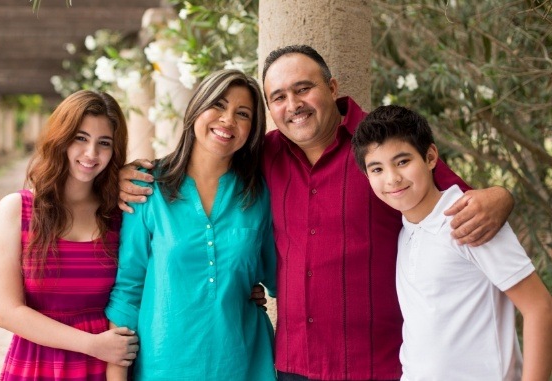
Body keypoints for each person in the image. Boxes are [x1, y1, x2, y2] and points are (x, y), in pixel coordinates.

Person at [118, 45, 514, 380]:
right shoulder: (264, 156)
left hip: (375, 363)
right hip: (293, 365)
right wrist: (125, 176)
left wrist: (501, 196)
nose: (293, 105)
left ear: (332, 87)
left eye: (303, 88)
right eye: (278, 97)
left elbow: (457, 198)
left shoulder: (379, 149)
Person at [351, 104, 552, 381]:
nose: (392, 178)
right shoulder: (405, 231)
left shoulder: (471, 219)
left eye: (402, 161)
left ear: (431, 157)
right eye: (377, 169)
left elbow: (539, 307)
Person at [105, 69, 277, 380]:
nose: (228, 120)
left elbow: (282, 275)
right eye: (219, 105)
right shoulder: (147, 187)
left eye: (243, 114)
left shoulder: (259, 195)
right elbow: (128, 290)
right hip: (163, 365)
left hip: (244, 364)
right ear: (197, 107)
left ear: (252, 130)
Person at [0, 90, 139, 380]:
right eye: (80, 138)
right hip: (37, 365)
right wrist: (93, 345)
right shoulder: (17, 210)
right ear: (60, 138)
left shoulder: (120, 214)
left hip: (106, 369)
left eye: (104, 143)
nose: (91, 154)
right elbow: (6, 311)